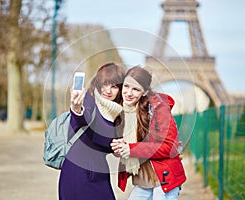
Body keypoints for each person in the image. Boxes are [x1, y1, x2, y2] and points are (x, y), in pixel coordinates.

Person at [111, 66, 186, 200]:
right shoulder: (121, 111)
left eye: (135, 89)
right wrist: (120, 147)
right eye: (126, 86)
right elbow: (124, 150)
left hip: (163, 179)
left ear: (145, 92)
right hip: (143, 181)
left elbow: (170, 147)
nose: (128, 93)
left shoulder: (159, 108)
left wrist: (131, 148)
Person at [59, 62, 125, 200]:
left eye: (114, 86)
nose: (108, 90)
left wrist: (117, 149)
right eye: (104, 84)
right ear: (97, 84)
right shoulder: (88, 101)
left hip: (99, 172)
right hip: (78, 172)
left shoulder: (117, 112)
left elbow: (106, 143)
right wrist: (76, 109)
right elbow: (84, 121)